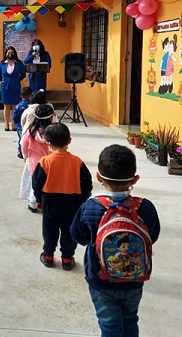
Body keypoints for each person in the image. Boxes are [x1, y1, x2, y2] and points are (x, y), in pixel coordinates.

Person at [71, 144, 160, 336]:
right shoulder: (146, 208)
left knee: (109, 325)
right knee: (130, 319)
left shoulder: (90, 208)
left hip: (100, 279)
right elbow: (153, 236)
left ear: (98, 177)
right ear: (135, 179)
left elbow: (77, 236)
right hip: (135, 279)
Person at [32, 123, 93, 270]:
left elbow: (36, 183)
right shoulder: (77, 162)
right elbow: (87, 183)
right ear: (69, 140)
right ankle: (67, 258)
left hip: (50, 203)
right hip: (72, 204)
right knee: (69, 232)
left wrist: (39, 199)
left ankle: (48, 255)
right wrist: (83, 199)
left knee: (49, 230)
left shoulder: (45, 162)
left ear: (48, 143)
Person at [19, 104, 52, 214]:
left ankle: (33, 204)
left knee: (34, 184)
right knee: (47, 184)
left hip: (34, 164)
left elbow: (23, 145)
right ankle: (45, 203)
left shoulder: (30, 131)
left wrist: (25, 156)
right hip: (49, 163)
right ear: (51, 117)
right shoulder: (52, 132)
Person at [0, 46, 26, 131]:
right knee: (6, 105)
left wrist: (16, 80)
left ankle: (14, 123)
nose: (10, 54)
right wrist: (4, 81)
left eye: (12, 53)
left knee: (14, 105)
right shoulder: (2, 64)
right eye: (8, 53)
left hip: (15, 87)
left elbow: (23, 74)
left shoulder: (19, 63)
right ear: (5, 54)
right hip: (5, 87)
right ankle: (6, 123)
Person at [13, 86, 32, 159]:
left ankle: (21, 151)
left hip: (20, 126)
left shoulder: (18, 106)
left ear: (21, 96)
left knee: (21, 139)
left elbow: (15, 116)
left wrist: (16, 123)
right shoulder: (32, 106)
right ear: (30, 95)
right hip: (30, 126)